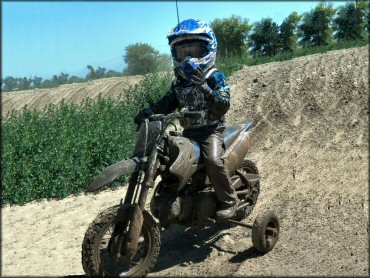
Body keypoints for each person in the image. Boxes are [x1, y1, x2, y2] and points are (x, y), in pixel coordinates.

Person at [134, 18, 238, 220]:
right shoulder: (179, 82)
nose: (189, 57)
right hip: (189, 133)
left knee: (213, 161)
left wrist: (206, 89)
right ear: (175, 53)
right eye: (183, 52)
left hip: (211, 131)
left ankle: (229, 200)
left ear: (209, 48)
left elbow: (223, 104)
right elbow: (167, 102)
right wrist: (148, 111)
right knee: (168, 159)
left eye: (195, 51)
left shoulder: (215, 76)